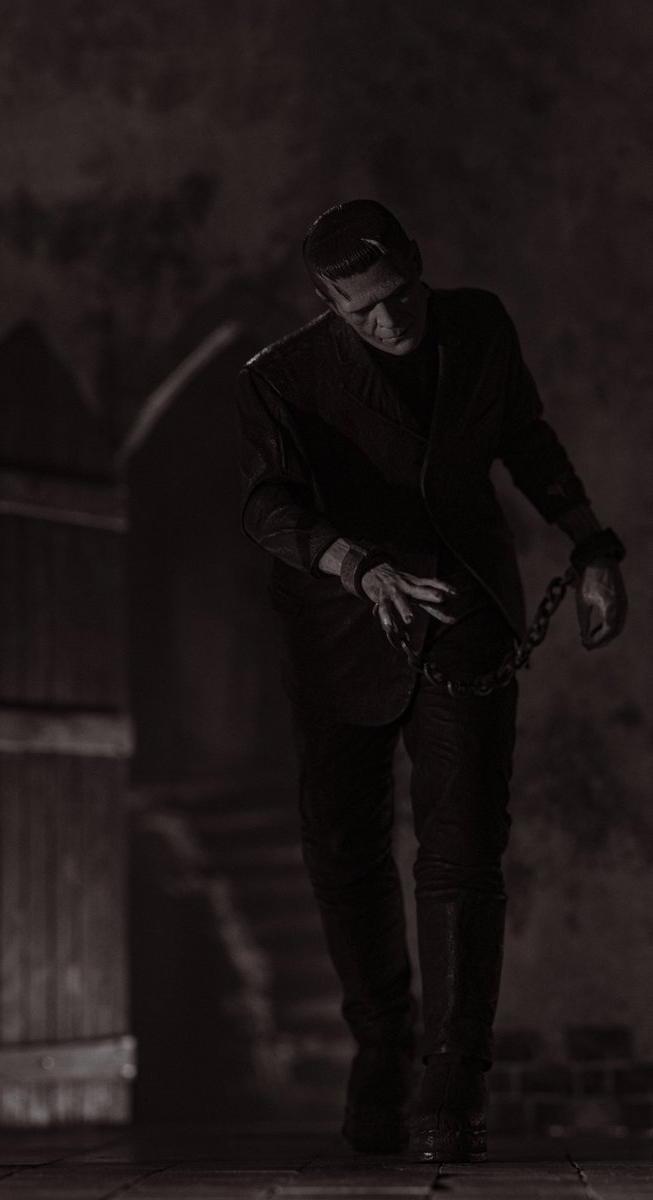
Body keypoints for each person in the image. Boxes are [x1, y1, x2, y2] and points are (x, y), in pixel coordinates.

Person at [235, 199, 627, 1162]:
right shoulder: (281, 378)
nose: (386, 320)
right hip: (339, 627)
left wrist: (591, 545)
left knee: (463, 848)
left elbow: (525, 437)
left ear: (417, 263)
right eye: (359, 309)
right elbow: (268, 506)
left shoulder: (480, 325)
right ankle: (383, 1046)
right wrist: (355, 566)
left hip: (462, 608)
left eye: (397, 295)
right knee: (343, 850)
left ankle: (454, 1075)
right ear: (327, 304)